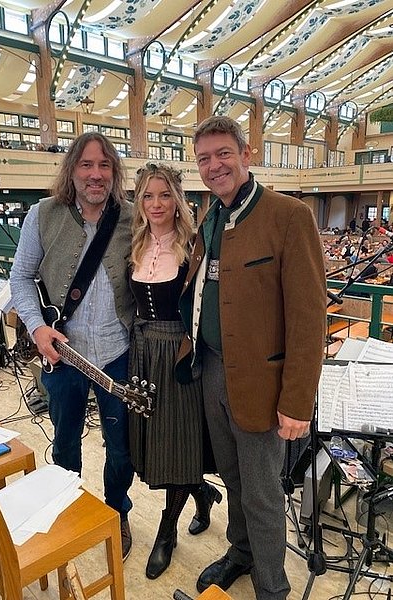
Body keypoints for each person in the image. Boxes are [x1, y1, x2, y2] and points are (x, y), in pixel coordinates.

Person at [176, 116, 326, 599]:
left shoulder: (288, 216)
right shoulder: (211, 217)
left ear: (246, 154)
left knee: (262, 494)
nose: (214, 166)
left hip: (264, 382)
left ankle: (272, 588)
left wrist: (297, 401)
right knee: (234, 478)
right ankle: (241, 552)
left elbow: (309, 318)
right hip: (212, 370)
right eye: (204, 158)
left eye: (223, 153)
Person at [10, 132, 135, 560]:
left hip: (118, 353)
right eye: (86, 165)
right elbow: (20, 277)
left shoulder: (132, 217)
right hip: (62, 355)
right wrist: (36, 328)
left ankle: (117, 511)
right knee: (65, 443)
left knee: (121, 448)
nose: (95, 174)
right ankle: (67, 508)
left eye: (104, 165)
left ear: (114, 172)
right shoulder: (42, 214)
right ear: (72, 170)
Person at [128, 162, 220, 580]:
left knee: (176, 445)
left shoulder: (194, 246)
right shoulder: (134, 243)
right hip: (142, 351)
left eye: (165, 195)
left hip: (178, 353)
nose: (156, 203)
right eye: (148, 195)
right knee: (153, 446)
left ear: (178, 200)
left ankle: (166, 532)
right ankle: (201, 492)